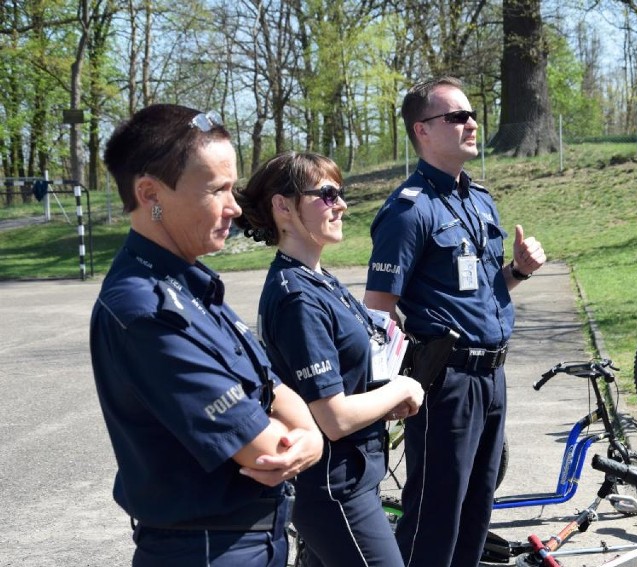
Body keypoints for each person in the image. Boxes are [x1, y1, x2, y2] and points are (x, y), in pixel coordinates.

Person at [89, 104, 324, 566]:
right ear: (150, 193)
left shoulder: (190, 285)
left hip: (256, 540)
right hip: (206, 550)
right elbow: (265, 452)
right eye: (217, 189)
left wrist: (310, 432)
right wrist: (304, 434)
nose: (235, 207)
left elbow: (274, 388)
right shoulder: (143, 310)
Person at [363, 77, 547, 566]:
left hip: (492, 378)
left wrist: (518, 272)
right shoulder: (408, 210)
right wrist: (403, 379)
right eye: (457, 117)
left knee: (475, 513)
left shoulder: (480, 200)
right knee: (435, 516)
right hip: (445, 381)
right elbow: (379, 308)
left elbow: (485, 290)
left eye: (471, 114)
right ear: (423, 131)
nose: (471, 123)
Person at [234, 151, 425, 567]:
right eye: (326, 194)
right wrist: (400, 389)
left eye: (339, 193)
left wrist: (380, 399)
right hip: (334, 488)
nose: (340, 204)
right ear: (282, 207)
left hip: (353, 476)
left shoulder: (317, 279)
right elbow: (332, 418)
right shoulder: (298, 296)